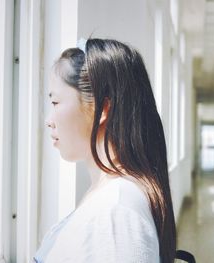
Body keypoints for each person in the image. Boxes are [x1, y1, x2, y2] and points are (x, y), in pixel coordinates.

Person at [34, 38, 176, 263]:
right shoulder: (111, 195)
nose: (49, 121)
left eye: (55, 103)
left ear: (102, 109)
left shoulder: (117, 212)